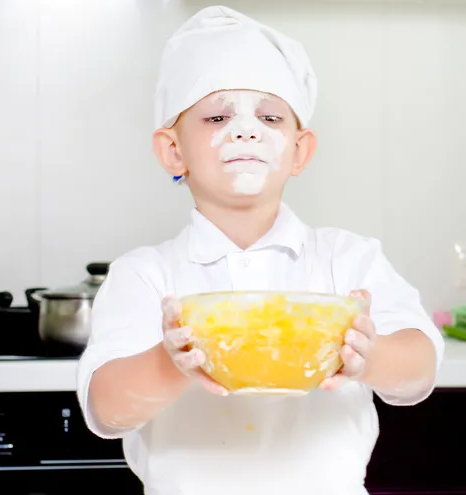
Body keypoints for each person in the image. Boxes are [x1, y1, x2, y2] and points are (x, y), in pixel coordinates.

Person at [75, 5, 445, 494]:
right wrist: (170, 361)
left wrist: (369, 357)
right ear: (173, 151)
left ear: (300, 150)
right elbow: (107, 408)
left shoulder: (348, 259)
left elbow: (418, 372)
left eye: (269, 115)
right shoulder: (145, 275)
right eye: (217, 115)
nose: (246, 129)